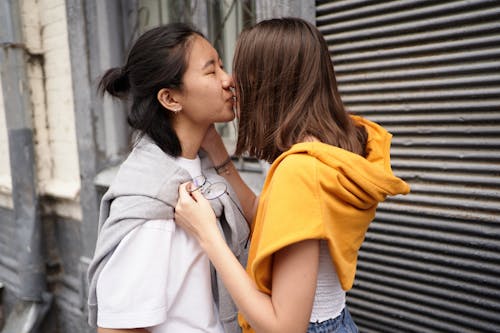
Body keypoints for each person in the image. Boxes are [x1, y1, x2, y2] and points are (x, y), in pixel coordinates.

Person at [174, 17, 411, 333]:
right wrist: (220, 154)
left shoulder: (300, 172)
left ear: (268, 83)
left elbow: (285, 327)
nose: (230, 82)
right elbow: (274, 218)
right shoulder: (330, 148)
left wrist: (207, 235)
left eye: (240, 71)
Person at [86, 23, 252, 333]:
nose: (228, 79)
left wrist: (218, 152)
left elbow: (257, 215)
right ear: (171, 99)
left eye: (221, 64)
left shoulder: (198, 166)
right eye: (211, 71)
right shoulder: (153, 203)